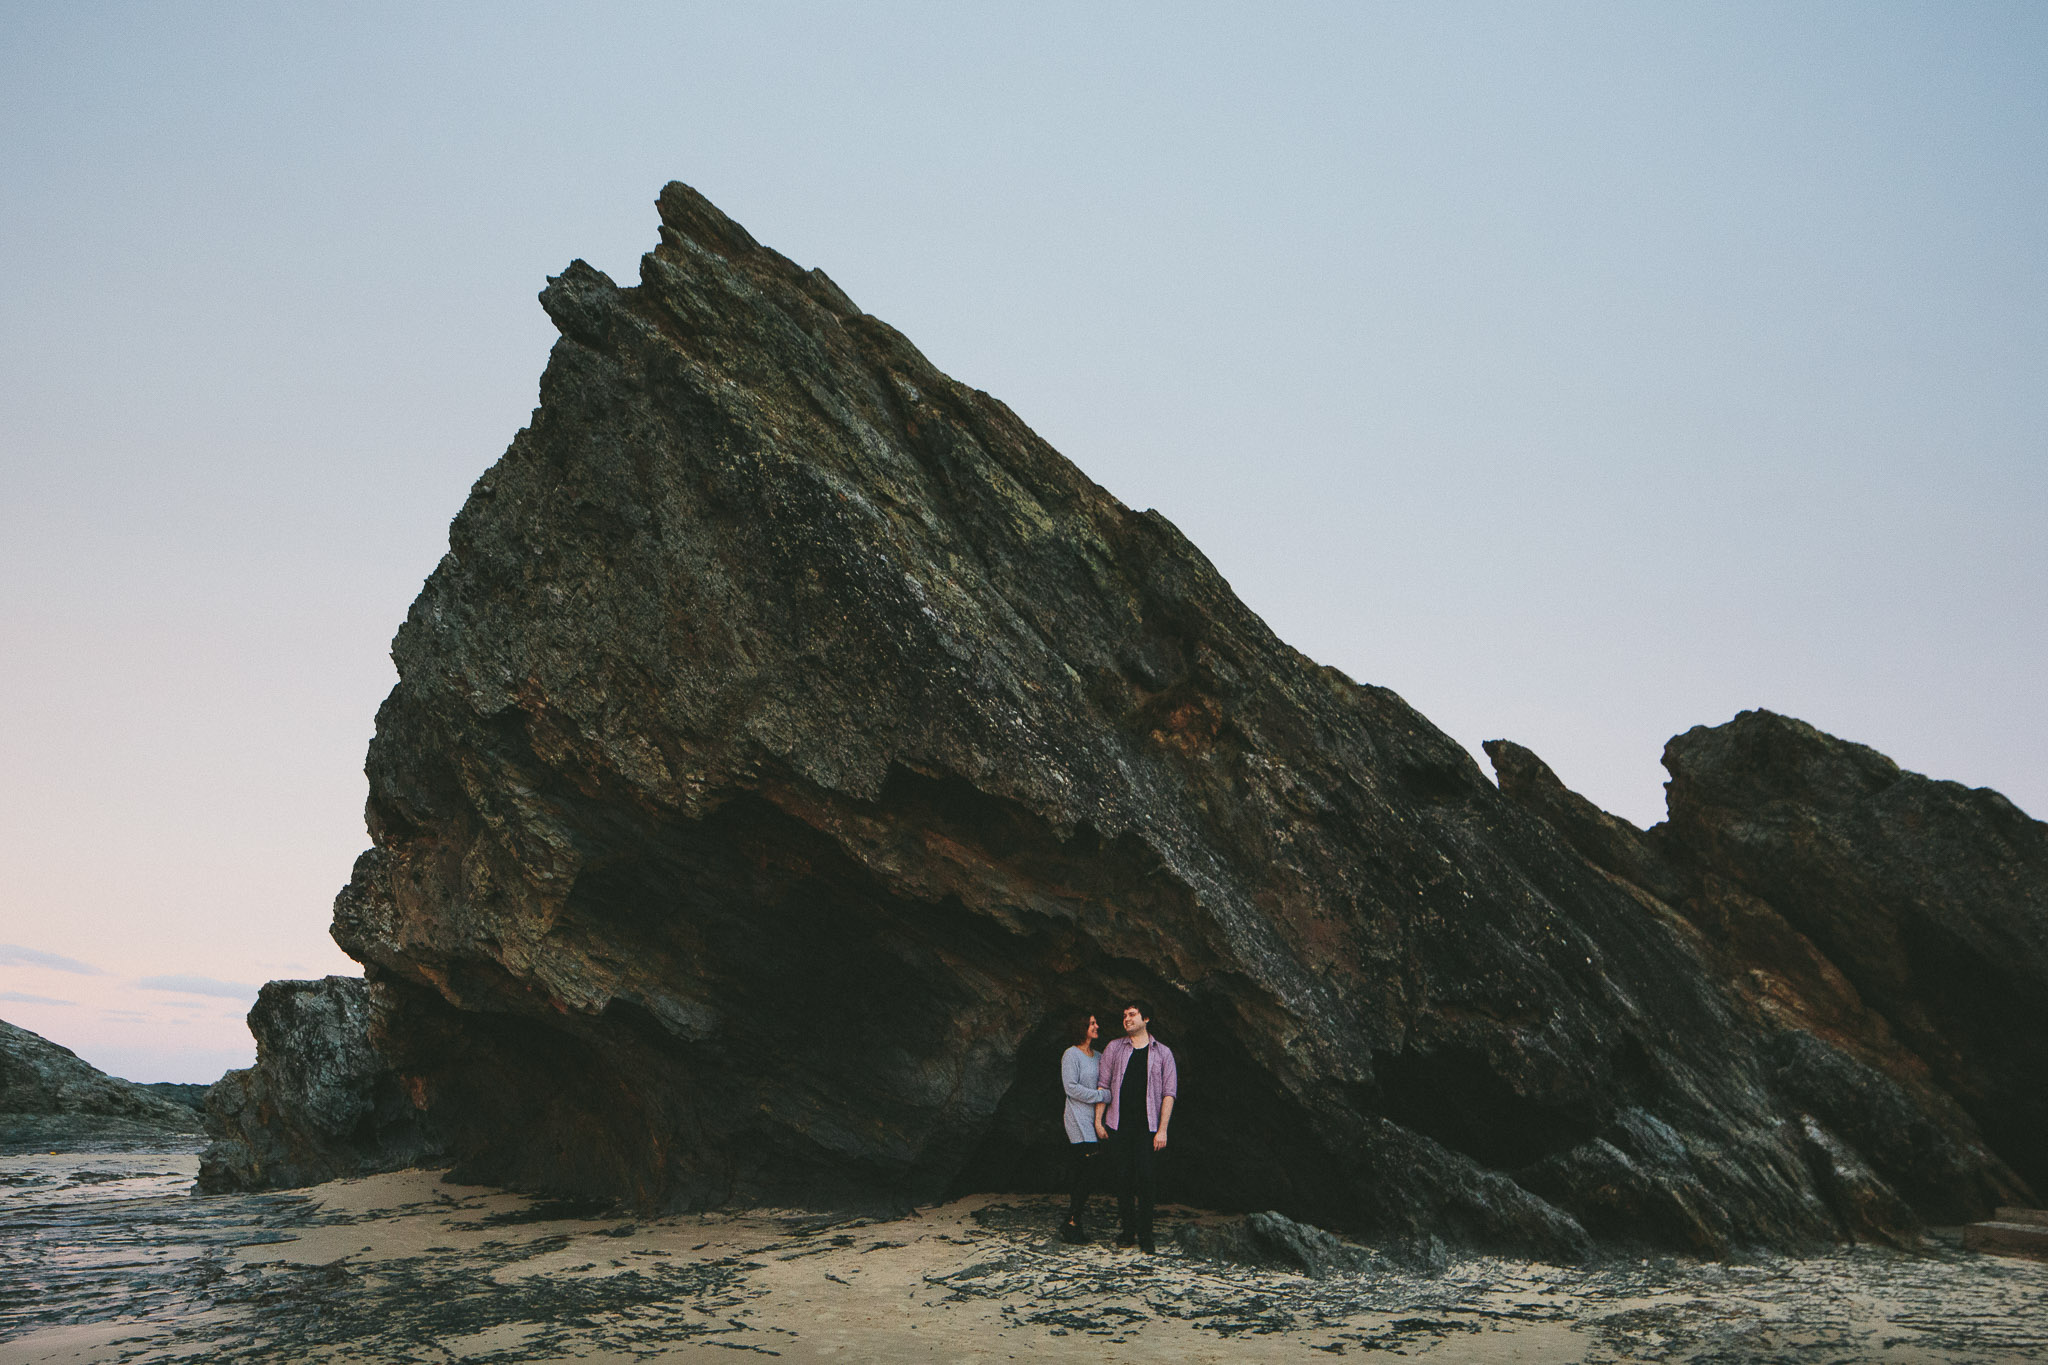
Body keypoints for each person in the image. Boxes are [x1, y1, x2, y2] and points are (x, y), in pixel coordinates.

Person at [1093, 1000, 1178, 1254]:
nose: (1127, 1019)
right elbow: (1103, 1086)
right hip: (1118, 1125)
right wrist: (1098, 1121)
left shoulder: (1163, 1053)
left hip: (1148, 1129)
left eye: (1132, 1014)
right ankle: (1128, 1232)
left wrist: (1162, 1129)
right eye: (1124, 1015)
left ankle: (1147, 1235)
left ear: (1146, 1019)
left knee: (1147, 1180)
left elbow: (1169, 1094)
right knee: (1123, 1180)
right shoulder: (1114, 1048)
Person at [1058, 1012, 1110, 1243]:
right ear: (1081, 1027)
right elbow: (1071, 1088)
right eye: (1092, 1023)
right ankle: (1072, 1222)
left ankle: (1072, 1220)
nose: (1097, 1026)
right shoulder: (1071, 1054)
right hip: (1077, 1118)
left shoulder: (1099, 1056)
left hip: (1095, 1118)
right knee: (1087, 1169)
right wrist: (1099, 1095)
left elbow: (1106, 1085)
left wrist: (1104, 1096)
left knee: (1088, 1171)